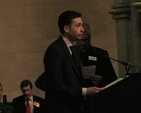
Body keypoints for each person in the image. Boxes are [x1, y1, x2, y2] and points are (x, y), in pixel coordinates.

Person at [40, 10, 104, 113]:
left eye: (82, 25)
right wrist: (85, 91)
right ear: (66, 29)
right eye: (78, 25)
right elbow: (56, 85)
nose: (82, 29)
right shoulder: (55, 50)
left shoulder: (74, 49)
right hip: (61, 108)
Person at [75, 23, 118, 87]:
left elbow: (113, 78)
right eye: (80, 40)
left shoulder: (101, 54)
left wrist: (102, 79)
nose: (83, 43)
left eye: (86, 40)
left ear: (90, 37)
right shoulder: (69, 54)